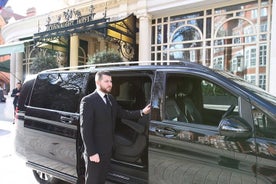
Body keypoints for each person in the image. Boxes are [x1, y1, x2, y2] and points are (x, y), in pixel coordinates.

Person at [80, 71, 151, 184]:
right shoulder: (88, 101)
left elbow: (123, 113)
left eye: (111, 81)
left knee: (101, 180)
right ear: (98, 82)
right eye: (106, 81)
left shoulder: (110, 99)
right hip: (95, 152)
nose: (110, 84)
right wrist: (92, 153)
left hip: (107, 150)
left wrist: (142, 112)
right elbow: (85, 130)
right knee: (93, 181)